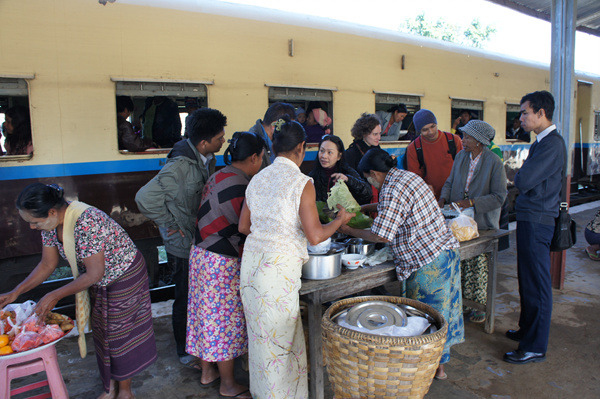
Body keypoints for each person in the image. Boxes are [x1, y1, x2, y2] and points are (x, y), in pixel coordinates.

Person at [1, 183, 156, 399]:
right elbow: (47, 264)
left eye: (34, 222)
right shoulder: (51, 225)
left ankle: (125, 392)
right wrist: (16, 292)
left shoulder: (86, 220)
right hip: (100, 277)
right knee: (102, 331)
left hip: (124, 274)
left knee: (118, 334)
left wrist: (54, 295)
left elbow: (93, 274)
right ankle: (110, 385)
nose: (32, 227)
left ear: (52, 212)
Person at [238, 117, 354, 398]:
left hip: (251, 268)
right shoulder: (302, 182)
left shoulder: (257, 179)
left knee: (261, 343)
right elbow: (315, 236)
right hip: (276, 274)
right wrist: (340, 219)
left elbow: (243, 226)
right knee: (282, 345)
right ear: (302, 148)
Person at [339, 148, 463, 380]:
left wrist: (346, 229)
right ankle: (438, 367)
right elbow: (396, 207)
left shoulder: (391, 189)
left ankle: (430, 369)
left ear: (374, 173)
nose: (369, 181)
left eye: (367, 177)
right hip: (444, 253)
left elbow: (381, 235)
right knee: (444, 314)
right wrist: (366, 208)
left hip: (428, 263)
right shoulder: (405, 177)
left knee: (427, 320)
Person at [135, 108, 227, 371]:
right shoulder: (180, 166)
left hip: (196, 238)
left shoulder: (204, 157)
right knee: (185, 296)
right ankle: (184, 351)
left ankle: (196, 346)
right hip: (182, 243)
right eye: (219, 137)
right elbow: (144, 198)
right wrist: (170, 223)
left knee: (195, 295)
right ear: (203, 142)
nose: (223, 141)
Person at [186, 132, 266, 398]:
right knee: (223, 322)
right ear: (254, 157)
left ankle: (208, 372)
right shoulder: (243, 186)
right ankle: (229, 384)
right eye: (262, 158)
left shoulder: (219, 175)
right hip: (220, 261)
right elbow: (247, 230)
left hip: (201, 255)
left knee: (206, 317)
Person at [504, 90, 566, 365]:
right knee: (527, 279)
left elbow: (525, 179)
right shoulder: (542, 142)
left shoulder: (552, 144)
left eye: (525, 112)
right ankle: (527, 331)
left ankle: (535, 346)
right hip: (531, 217)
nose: (521, 118)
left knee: (538, 284)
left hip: (539, 220)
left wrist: (519, 176)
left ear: (541, 113)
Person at [439, 120, 507, 323]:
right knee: (460, 264)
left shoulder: (494, 162)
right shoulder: (461, 156)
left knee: (477, 266)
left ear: (479, 141)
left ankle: (479, 308)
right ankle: (463, 304)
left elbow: (499, 197)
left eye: (467, 137)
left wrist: (471, 202)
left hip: (483, 224)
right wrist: (443, 198)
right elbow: (450, 182)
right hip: (458, 223)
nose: (463, 140)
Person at [406, 109, 463, 200]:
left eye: (433, 126)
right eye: (425, 130)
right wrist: (423, 186)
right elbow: (414, 177)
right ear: (419, 131)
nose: (431, 132)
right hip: (431, 199)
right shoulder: (414, 148)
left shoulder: (454, 140)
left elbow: (464, 168)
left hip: (455, 196)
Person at [308, 134, 372, 205]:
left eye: (329, 152)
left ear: (339, 156)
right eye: (322, 151)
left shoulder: (347, 172)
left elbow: (367, 194)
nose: (324, 156)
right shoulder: (313, 176)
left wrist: (348, 180)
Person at [248, 101, 296, 167]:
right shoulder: (253, 142)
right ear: (274, 125)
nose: (289, 132)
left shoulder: (275, 138)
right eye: (288, 128)